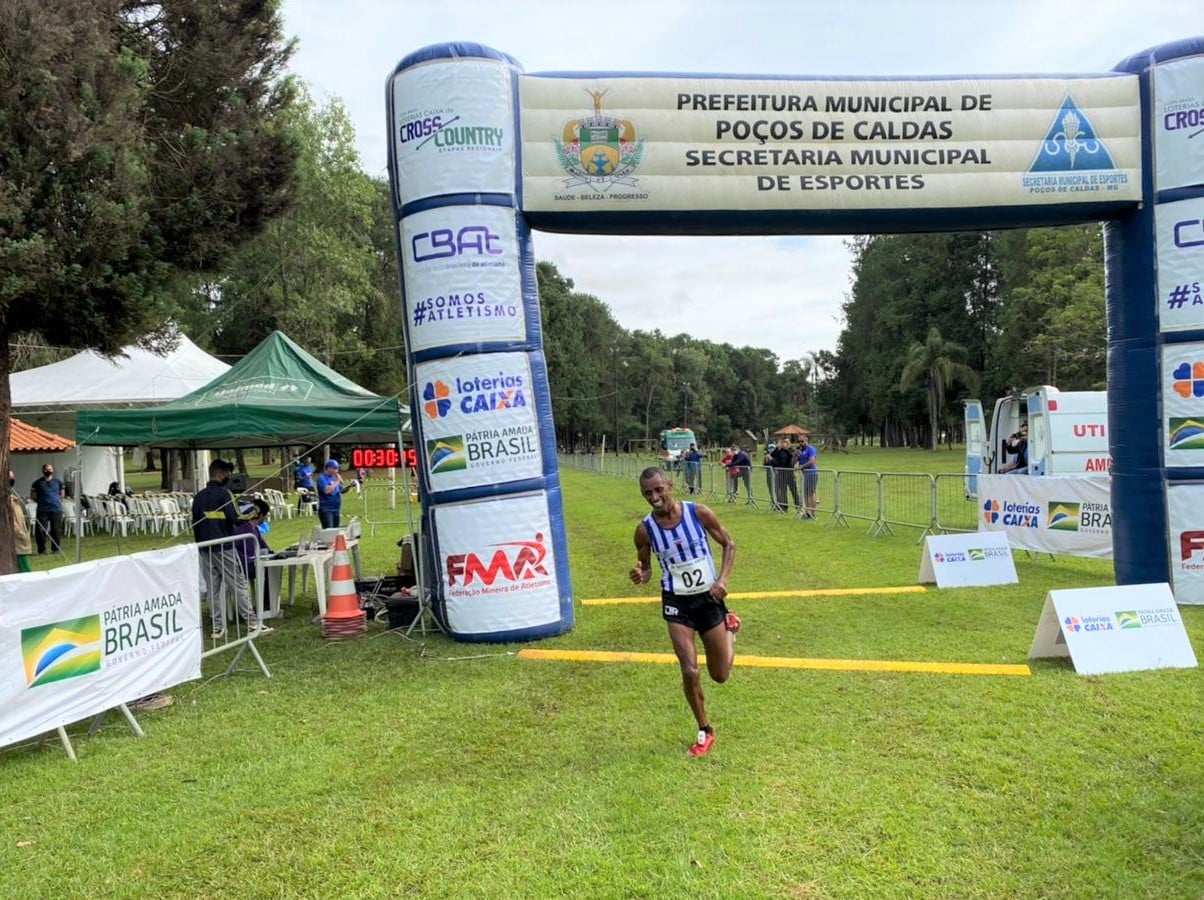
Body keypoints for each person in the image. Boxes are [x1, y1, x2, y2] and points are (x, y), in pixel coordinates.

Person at [629, 467, 739, 758]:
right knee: (689, 670)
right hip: (676, 602)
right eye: (647, 493)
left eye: (658, 489)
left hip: (708, 598)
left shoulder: (699, 513)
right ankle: (705, 730)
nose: (654, 497)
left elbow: (729, 544)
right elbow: (648, 567)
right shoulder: (644, 530)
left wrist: (723, 580)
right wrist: (642, 574)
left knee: (720, 675)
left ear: (670, 485)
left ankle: (730, 630)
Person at [192, 458, 270, 640]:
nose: (228, 477)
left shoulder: (198, 497)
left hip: (204, 548)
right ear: (220, 475)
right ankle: (252, 623)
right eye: (226, 474)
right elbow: (236, 518)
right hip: (224, 546)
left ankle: (218, 627)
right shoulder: (225, 494)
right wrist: (255, 512)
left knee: (213, 590)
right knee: (239, 585)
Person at [234, 498, 273, 617]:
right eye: (265, 516)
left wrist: (273, 554)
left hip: (252, 561)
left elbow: (264, 546)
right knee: (268, 570)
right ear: (260, 515)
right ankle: (266, 604)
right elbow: (234, 550)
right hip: (242, 565)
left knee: (271, 566)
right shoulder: (242, 529)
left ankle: (268, 602)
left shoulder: (254, 528)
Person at [29, 462, 65, 555]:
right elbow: (33, 495)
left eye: (50, 469)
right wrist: (42, 501)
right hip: (43, 510)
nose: (48, 471)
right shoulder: (37, 483)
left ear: (53, 470)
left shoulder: (58, 482)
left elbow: (62, 493)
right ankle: (42, 550)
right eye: (46, 469)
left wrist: (57, 500)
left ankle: (56, 549)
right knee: (41, 530)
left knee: (56, 530)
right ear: (43, 471)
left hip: (56, 509)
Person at [316, 459, 355, 528]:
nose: (336, 471)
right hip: (327, 510)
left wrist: (349, 486)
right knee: (329, 531)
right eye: (335, 468)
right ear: (328, 468)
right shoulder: (322, 478)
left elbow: (342, 490)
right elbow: (327, 491)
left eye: (337, 468)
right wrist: (337, 481)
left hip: (336, 509)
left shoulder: (334, 478)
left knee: (336, 530)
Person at [9, 471, 33, 572]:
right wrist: (22, 534)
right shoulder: (7, 501)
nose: (12, 480)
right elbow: (11, 522)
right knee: (26, 573)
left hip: (20, 542)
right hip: (17, 543)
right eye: (10, 478)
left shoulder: (13, 499)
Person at [770, 437, 801, 513]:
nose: (784, 444)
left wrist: (785, 449)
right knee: (783, 491)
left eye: (786, 442)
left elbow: (791, 458)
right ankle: (784, 507)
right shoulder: (779, 451)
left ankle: (798, 507)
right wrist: (778, 448)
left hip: (789, 473)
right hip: (781, 473)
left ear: (789, 443)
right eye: (783, 442)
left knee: (794, 491)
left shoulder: (791, 451)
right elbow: (773, 455)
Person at [796, 435, 819, 518]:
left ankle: (812, 513)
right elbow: (794, 462)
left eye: (802, 441)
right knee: (805, 494)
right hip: (804, 475)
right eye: (799, 441)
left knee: (811, 493)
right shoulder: (800, 451)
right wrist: (795, 455)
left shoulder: (811, 449)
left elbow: (812, 461)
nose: (800, 443)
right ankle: (807, 512)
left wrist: (802, 467)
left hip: (811, 473)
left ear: (807, 441)